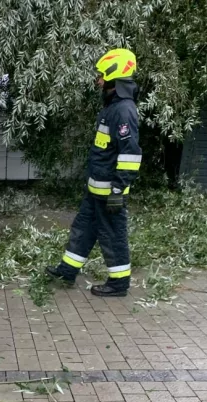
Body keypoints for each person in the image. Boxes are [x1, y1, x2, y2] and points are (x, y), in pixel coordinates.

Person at [46, 48, 142, 297]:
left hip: (110, 191)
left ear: (113, 75)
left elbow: (130, 153)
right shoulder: (113, 106)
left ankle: (119, 283)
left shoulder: (123, 110)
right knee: (83, 228)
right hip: (96, 188)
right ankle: (68, 270)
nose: (98, 80)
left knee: (113, 236)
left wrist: (118, 189)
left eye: (101, 74)